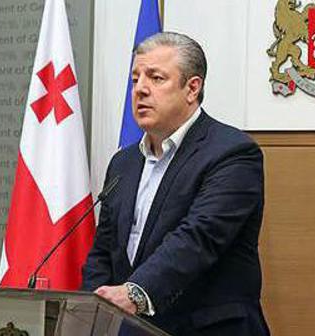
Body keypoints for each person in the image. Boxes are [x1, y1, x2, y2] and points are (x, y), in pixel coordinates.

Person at [81, 32, 269, 336]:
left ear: (192, 88)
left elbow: (198, 237)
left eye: (156, 78)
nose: (140, 89)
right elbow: (103, 251)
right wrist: (91, 309)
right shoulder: (123, 163)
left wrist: (135, 294)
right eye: (135, 79)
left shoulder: (233, 153)